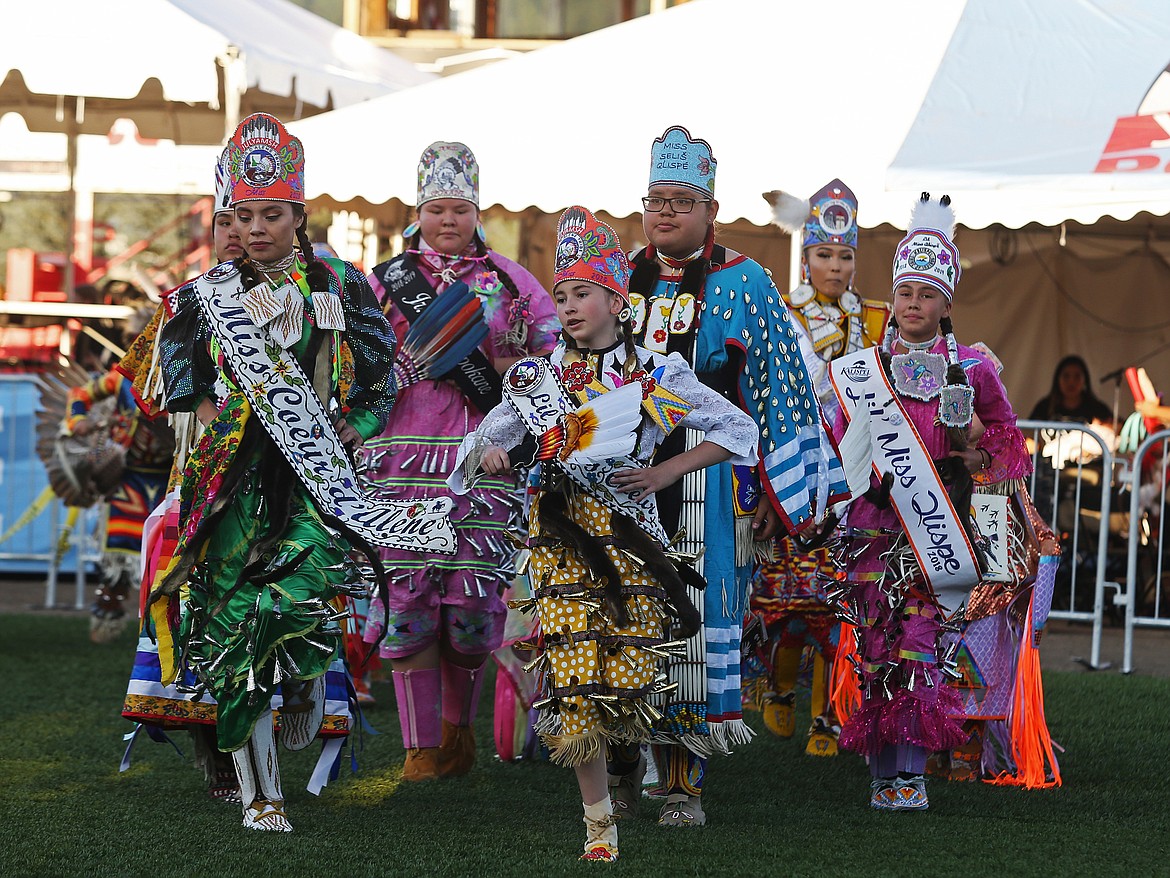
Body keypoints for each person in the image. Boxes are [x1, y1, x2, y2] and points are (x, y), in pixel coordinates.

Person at [146, 113, 435, 832]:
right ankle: (262, 797)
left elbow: (378, 381)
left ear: (299, 214)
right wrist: (219, 426)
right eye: (242, 217)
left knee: (295, 615)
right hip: (231, 489)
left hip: (312, 481)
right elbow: (182, 385)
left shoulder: (340, 284)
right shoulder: (202, 297)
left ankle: (305, 682)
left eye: (271, 215)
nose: (255, 230)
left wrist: (353, 425)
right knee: (240, 632)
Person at [453, 206, 759, 862]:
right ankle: (598, 825)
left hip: (634, 546)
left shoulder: (656, 373)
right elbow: (481, 440)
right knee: (576, 685)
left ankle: (633, 772)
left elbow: (740, 430)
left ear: (618, 304)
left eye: (582, 293)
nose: (568, 306)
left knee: (626, 683)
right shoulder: (537, 380)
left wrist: (665, 468)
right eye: (560, 295)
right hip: (562, 546)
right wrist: (494, 452)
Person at [608, 126, 847, 826]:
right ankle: (622, 771)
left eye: (682, 201)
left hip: (711, 479)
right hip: (624, 472)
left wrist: (781, 490)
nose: (666, 214)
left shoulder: (747, 280)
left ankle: (682, 783)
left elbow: (781, 389)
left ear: (712, 208)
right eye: (656, 200)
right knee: (621, 616)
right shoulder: (621, 273)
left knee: (697, 619)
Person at [827, 193, 1032, 811]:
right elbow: (840, 437)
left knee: (920, 647)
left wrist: (975, 448)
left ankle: (909, 773)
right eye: (905, 293)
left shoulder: (972, 369)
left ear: (947, 300)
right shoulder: (866, 367)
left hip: (937, 524)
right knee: (877, 648)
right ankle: (881, 770)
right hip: (875, 525)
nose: (912, 304)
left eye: (925, 293)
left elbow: (1007, 440)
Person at [362, 142, 559, 781]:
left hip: (486, 462)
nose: (448, 220)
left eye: (460, 209)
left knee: (472, 610)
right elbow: (354, 363)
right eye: (437, 209)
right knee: (408, 602)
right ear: (421, 211)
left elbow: (555, 355)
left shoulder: (510, 282)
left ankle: (457, 733)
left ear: (478, 211)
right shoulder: (383, 282)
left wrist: (514, 379)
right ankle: (420, 747)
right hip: (399, 463)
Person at [746, 180, 889, 755]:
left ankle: (827, 718)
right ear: (805, 256)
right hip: (801, 465)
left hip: (860, 476)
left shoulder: (876, 319)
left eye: (845, 255)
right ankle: (780, 689)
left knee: (839, 609)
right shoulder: (785, 315)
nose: (835, 266)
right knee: (790, 604)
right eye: (824, 254)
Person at [1029, 355, 1114, 425]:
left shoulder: (1097, 409)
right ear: (1058, 380)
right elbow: (1028, 434)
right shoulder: (1044, 407)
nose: (1071, 382)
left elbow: (1116, 426)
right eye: (1066, 376)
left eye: (1077, 376)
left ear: (1084, 380)